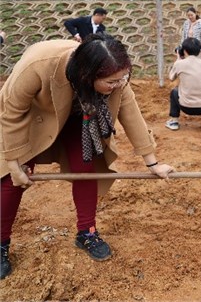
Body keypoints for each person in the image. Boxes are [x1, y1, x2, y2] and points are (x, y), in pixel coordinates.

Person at [0, 34, 174, 280]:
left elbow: (131, 112)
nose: (120, 83)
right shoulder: (38, 65)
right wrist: (13, 163)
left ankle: (87, 233)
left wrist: (152, 162)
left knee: (85, 166)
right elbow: (11, 113)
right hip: (33, 115)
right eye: (112, 81)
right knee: (11, 178)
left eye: (123, 77)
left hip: (78, 111)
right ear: (87, 75)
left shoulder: (114, 73)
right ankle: (0, 244)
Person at [165, 37, 201, 132]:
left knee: (174, 91)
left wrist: (178, 60)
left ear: (184, 50)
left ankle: (174, 121)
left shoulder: (179, 64)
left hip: (186, 107)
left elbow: (171, 78)